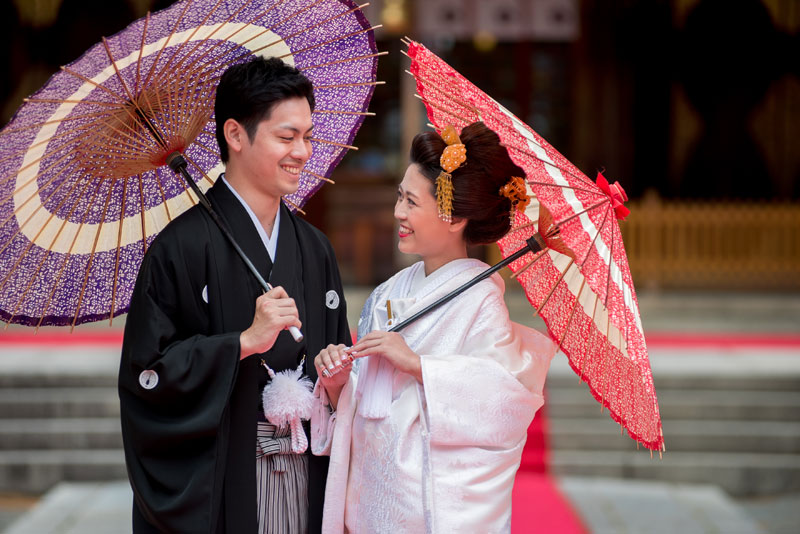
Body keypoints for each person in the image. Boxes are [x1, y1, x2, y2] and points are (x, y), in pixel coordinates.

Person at [119, 57, 350, 534]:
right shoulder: (179, 248)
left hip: (305, 470)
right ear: (236, 134)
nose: (303, 152)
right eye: (287, 137)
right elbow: (148, 376)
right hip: (223, 480)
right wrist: (242, 342)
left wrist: (337, 377)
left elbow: (335, 364)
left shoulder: (314, 248)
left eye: (307, 136)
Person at [311, 122, 557, 533]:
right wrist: (338, 386)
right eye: (398, 198)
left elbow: (503, 402)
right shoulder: (388, 291)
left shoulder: (479, 301)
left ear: (453, 216)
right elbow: (363, 399)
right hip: (370, 494)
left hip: (423, 504)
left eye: (411, 202)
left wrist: (418, 365)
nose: (398, 213)